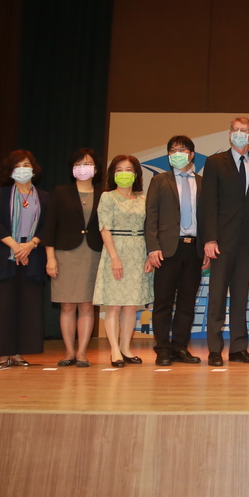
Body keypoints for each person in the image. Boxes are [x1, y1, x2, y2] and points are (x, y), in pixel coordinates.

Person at [198, 116, 249, 366]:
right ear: (229, 134)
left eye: (245, 131)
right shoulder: (215, 162)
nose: (240, 134)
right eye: (235, 130)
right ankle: (215, 350)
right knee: (217, 297)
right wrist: (210, 238)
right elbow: (208, 203)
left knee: (241, 297)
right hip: (221, 242)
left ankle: (239, 348)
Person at [0, 150, 51, 368]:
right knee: (2, 306)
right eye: (17, 166)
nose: (22, 169)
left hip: (33, 255)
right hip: (5, 255)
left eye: (26, 165)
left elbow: (47, 226)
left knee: (27, 306)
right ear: (11, 171)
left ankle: (18, 353)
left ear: (34, 168)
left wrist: (30, 245)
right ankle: (2, 353)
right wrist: (17, 247)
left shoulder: (44, 197)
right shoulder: (2, 194)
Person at [145, 136, 206, 367]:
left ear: (191, 154)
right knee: (163, 301)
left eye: (182, 149)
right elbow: (151, 216)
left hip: (194, 249)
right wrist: (153, 247)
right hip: (167, 249)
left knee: (187, 303)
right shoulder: (160, 181)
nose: (177, 153)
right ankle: (163, 349)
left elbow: (208, 218)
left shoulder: (202, 182)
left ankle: (180, 347)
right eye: (173, 150)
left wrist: (207, 247)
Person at [43, 148, 103, 368]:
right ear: (72, 169)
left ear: (95, 169)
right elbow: (50, 228)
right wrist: (50, 258)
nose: (83, 168)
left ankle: (82, 353)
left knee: (87, 305)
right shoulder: (60, 193)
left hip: (93, 254)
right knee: (67, 305)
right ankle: (69, 351)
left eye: (88, 164)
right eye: (79, 164)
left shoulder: (103, 194)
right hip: (65, 254)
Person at [93, 155, 154, 368]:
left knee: (131, 305)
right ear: (113, 174)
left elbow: (149, 230)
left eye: (128, 169)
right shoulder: (108, 198)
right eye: (119, 169)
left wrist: (148, 255)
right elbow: (105, 228)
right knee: (114, 305)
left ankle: (126, 348)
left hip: (139, 252)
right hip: (116, 250)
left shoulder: (143, 200)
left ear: (136, 174)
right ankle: (115, 351)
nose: (124, 173)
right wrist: (114, 257)